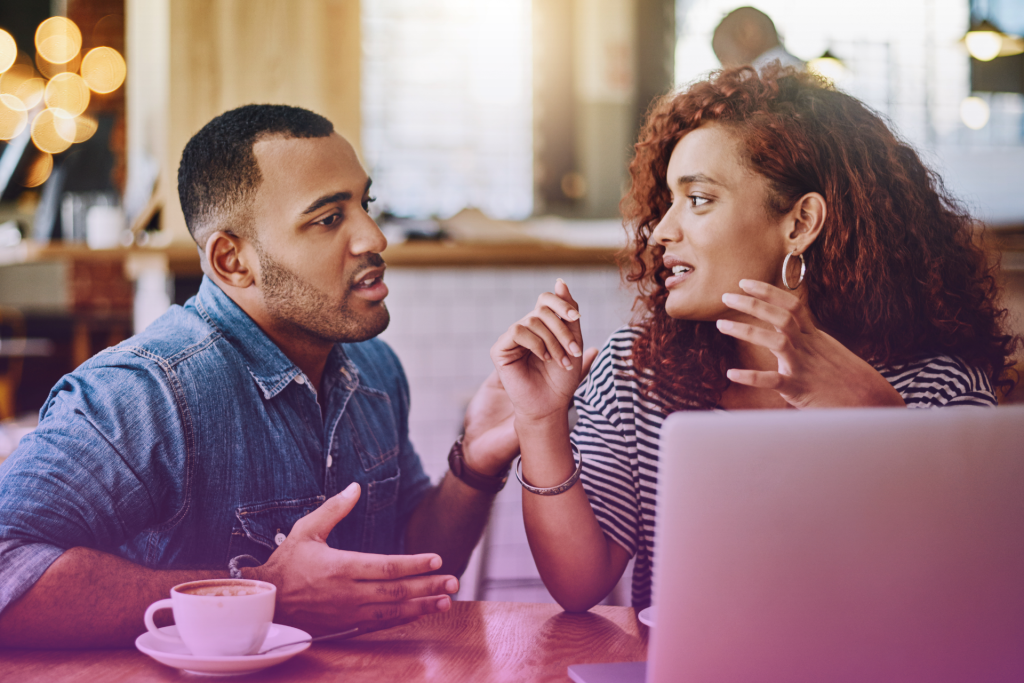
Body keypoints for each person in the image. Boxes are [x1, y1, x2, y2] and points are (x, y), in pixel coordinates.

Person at [490, 65, 1018, 612]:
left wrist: (880, 419)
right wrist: (540, 420)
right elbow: (578, 585)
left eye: (698, 199)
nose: (664, 231)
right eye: (667, 201)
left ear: (799, 223)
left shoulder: (940, 387)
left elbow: (976, 601)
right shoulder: (634, 371)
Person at [0, 105, 519, 648]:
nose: (373, 238)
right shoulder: (147, 391)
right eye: (328, 218)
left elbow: (406, 569)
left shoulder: (375, 369)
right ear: (231, 261)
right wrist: (261, 591)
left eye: (365, 204)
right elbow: (9, 565)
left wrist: (475, 464)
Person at [712, 6, 804, 72]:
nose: (728, 71)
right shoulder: (801, 69)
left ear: (750, 32)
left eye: (724, 57)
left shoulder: (760, 79)